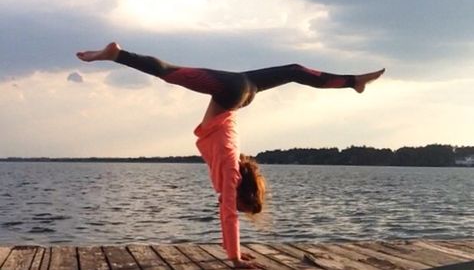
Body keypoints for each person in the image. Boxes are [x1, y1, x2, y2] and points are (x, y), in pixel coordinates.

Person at [76, 43, 384, 268]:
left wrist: (234, 251)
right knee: (170, 72)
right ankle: (117, 54)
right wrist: (235, 259)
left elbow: (228, 209)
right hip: (232, 91)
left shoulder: (235, 164)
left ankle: (352, 82)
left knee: (293, 71)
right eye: (242, 206)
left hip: (244, 91)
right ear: (240, 194)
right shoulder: (230, 170)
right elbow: (228, 214)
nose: (234, 206)